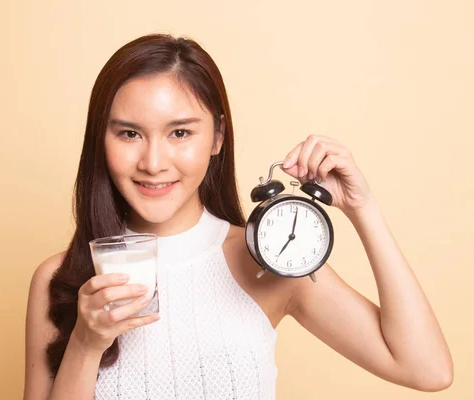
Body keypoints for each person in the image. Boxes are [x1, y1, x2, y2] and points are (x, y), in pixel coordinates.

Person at [23, 34, 453, 400]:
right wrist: (85, 341)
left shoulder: (267, 263)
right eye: (129, 133)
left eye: (180, 132)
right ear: (102, 139)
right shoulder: (61, 278)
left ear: (218, 137)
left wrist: (363, 207)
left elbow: (426, 369)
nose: (153, 162)